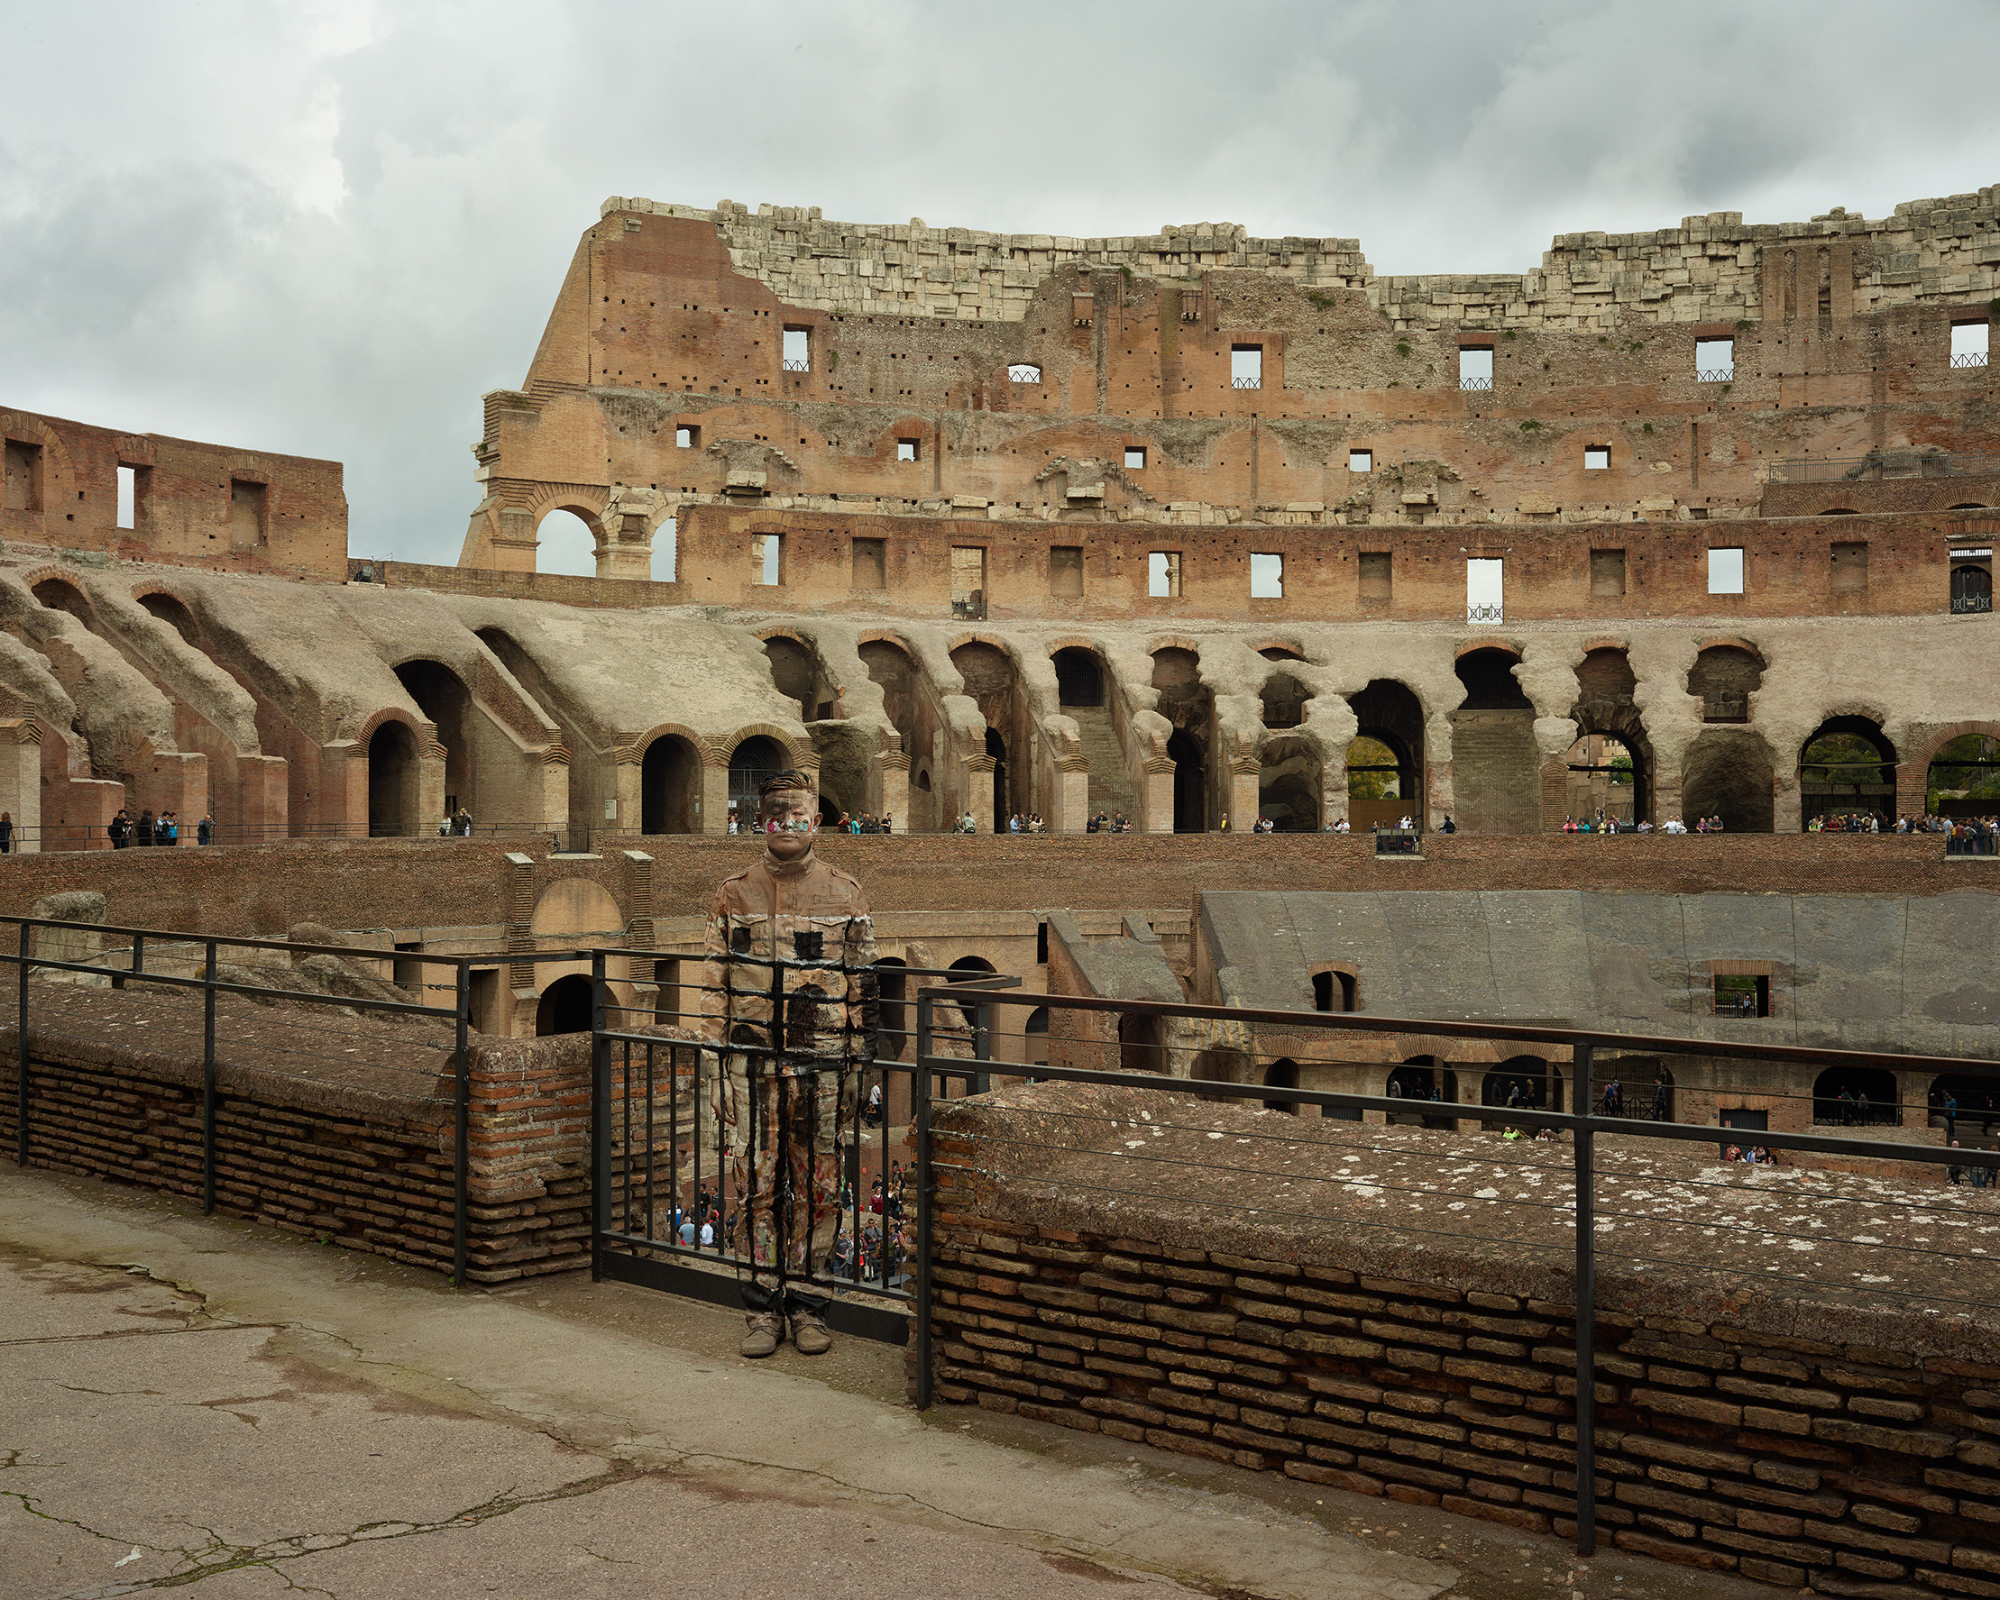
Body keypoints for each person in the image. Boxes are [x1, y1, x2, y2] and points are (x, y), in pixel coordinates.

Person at [704, 769, 878, 1359]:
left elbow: (863, 984)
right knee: (754, 1185)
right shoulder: (734, 893)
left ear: (817, 824)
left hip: (824, 1064)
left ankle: (809, 1307)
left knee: (818, 1189)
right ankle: (761, 1313)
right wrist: (715, 1067)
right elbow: (714, 985)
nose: (787, 827)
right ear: (761, 823)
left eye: (798, 817)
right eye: (776, 817)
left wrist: (860, 1066)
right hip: (751, 1065)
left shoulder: (847, 892)